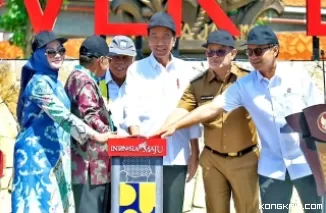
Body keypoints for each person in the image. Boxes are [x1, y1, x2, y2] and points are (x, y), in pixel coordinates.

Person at [158, 25, 323, 213]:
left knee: (315, 209)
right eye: (250, 52)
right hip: (272, 169)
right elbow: (213, 107)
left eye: (258, 51)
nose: (253, 57)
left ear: (275, 50)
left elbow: (320, 118)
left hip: (307, 164)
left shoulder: (299, 78)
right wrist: (175, 125)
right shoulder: (245, 86)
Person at [12, 31, 114, 213]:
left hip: (56, 157)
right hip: (35, 158)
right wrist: (97, 136)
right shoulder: (38, 83)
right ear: (37, 55)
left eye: (61, 50)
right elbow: (62, 116)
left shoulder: (56, 83)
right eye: (50, 52)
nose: (58, 55)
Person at [159, 30, 260, 213]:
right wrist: (164, 128)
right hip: (212, 161)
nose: (214, 56)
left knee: (248, 209)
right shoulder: (197, 84)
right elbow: (181, 110)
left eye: (220, 51)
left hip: (244, 159)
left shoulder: (248, 80)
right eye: (210, 51)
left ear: (233, 53)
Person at [123, 12, 202, 213]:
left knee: (173, 208)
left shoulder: (186, 70)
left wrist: (194, 152)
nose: (160, 42)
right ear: (148, 39)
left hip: (177, 154)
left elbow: (191, 113)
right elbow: (130, 109)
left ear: (174, 40)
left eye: (165, 36)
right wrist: (136, 144)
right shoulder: (136, 69)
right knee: (143, 209)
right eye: (155, 36)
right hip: (145, 154)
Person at [64, 36, 118, 213]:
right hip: (88, 166)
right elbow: (90, 114)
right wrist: (112, 134)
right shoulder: (82, 79)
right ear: (101, 60)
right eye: (108, 60)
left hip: (94, 164)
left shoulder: (80, 77)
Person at [98, 35, 136, 135]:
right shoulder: (95, 84)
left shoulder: (141, 86)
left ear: (133, 60)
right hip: (103, 146)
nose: (120, 62)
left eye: (125, 57)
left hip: (134, 147)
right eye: (116, 56)